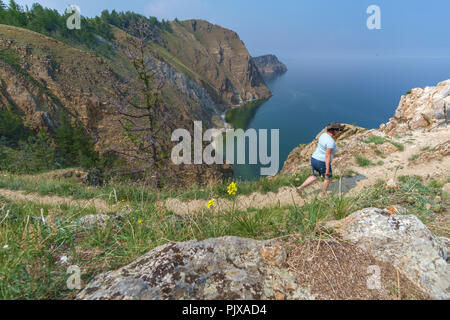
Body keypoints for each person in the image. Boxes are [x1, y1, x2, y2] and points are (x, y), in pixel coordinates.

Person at [296, 122, 344, 198]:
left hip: (314, 159)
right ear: (334, 130)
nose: (339, 132)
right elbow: (327, 155)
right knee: (328, 178)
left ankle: (299, 188)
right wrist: (327, 169)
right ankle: (323, 196)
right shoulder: (330, 142)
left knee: (315, 175)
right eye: (338, 130)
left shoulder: (323, 135)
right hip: (321, 162)